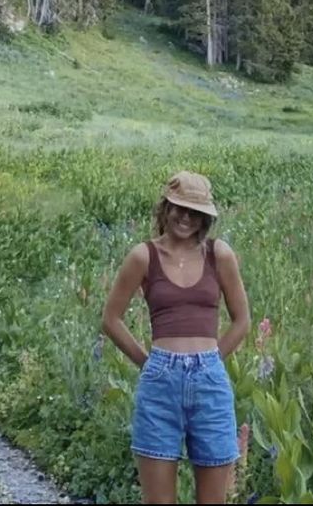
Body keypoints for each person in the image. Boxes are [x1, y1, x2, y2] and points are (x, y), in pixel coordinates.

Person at [101, 170, 251, 505]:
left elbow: (242, 321)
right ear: (165, 208)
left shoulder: (219, 254)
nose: (186, 217)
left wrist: (211, 362)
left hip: (210, 383)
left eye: (195, 212)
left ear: (204, 219)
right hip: (160, 384)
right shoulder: (143, 256)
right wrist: (149, 363)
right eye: (179, 208)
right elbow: (111, 319)